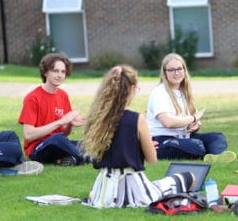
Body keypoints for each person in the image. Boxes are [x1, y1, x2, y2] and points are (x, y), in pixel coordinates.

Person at [80, 65, 195, 208]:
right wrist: (145, 147)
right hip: (134, 190)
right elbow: (152, 159)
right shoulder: (137, 119)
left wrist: (137, 147)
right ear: (132, 89)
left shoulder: (96, 118)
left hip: (103, 191)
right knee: (189, 177)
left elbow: (113, 148)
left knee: (160, 184)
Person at [146, 53, 235, 162]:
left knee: (217, 137)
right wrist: (193, 118)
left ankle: (215, 157)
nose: (176, 73)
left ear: (184, 70)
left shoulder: (184, 92)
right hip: (163, 140)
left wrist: (195, 125)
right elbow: (168, 122)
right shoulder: (159, 92)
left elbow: (191, 121)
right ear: (164, 73)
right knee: (196, 146)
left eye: (179, 68)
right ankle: (207, 153)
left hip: (184, 137)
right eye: (171, 70)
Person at [18, 53, 86, 166]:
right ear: (45, 72)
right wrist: (60, 122)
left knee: (86, 144)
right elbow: (28, 135)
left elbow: (65, 133)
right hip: (37, 148)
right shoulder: (32, 98)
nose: (59, 75)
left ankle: (69, 159)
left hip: (58, 143)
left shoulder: (63, 95)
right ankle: (84, 158)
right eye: (55, 71)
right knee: (57, 139)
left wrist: (70, 124)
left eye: (63, 72)